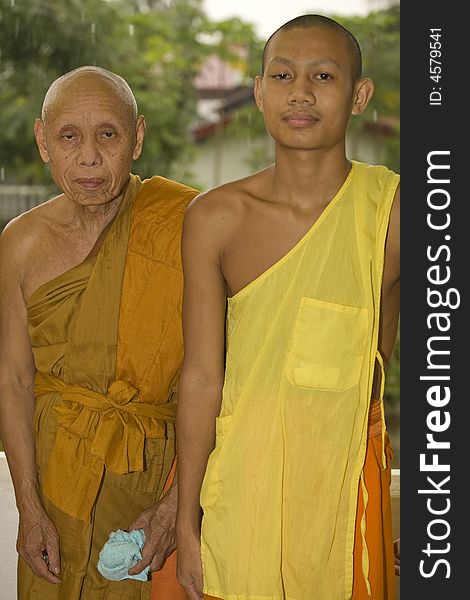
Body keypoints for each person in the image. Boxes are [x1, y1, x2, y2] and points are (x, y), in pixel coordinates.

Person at [176, 14, 400, 600]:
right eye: (283, 75)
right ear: (258, 92)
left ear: (359, 96)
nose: (300, 92)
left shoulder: (397, 213)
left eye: (323, 75)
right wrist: (185, 517)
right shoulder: (215, 218)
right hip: (242, 487)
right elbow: (201, 375)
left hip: (345, 482)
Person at [0, 66, 197, 599]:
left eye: (107, 134)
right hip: (55, 485)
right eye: (69, 136)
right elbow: (15, 381)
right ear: (44, 141)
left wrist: (178, 506)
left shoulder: (186, 226)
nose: (88, 157)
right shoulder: (21, 243)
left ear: (137, 138)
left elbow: (227, 379)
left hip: (155, 486)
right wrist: (28, 507)